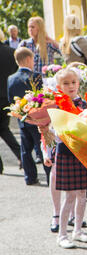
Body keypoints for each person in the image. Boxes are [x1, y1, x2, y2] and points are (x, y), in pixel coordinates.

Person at [53, 68, 87, 249]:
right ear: (58, 86)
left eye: (73, 82)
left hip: (82, 153)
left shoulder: (84, 103)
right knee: (69, 196)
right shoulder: (55, 106)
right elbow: (54, 131)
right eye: (66, 83)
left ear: (78, 83)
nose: (70, 86)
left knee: (82, 194)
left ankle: (78, 230)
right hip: (66, 153)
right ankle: (62, 234)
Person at [7, 47, 43, 185]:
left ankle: (30, 177)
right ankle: (49, 172)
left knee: (25, 149)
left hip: (22, 119)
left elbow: (11, 99)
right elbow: (41, 97)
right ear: (28, 59)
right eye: (33, 59)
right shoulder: (36, 76)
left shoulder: (11, 78)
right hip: (36, 118)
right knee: (40, 148)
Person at [0, 36, 21, 174]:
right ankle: (21, 156)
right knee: (4, 129)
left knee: (4, 129)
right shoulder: (11, 52)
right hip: (6, 97)